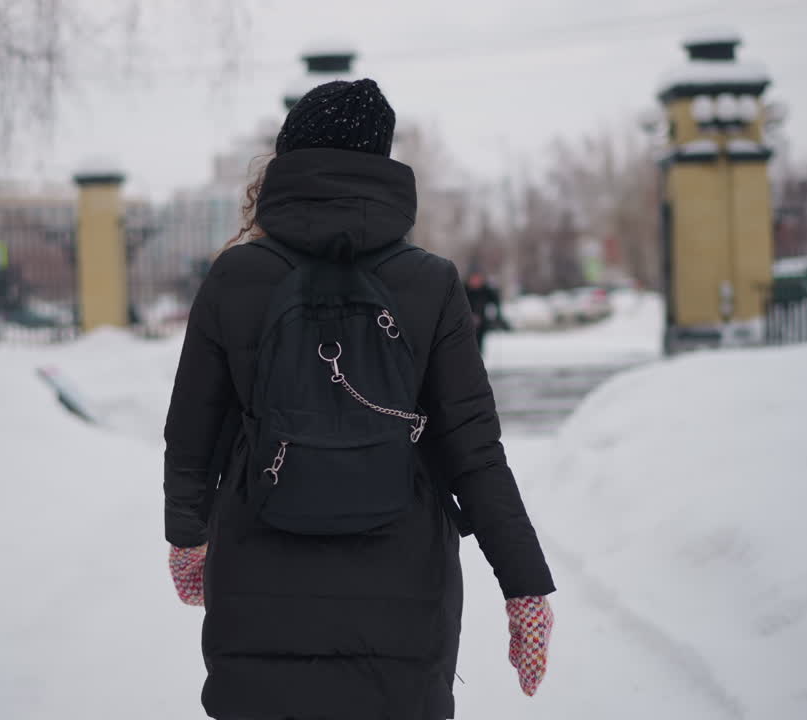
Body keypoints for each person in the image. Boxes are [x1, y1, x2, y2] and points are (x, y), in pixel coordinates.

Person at [163, 79, 555, 720]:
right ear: (382, 165)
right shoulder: (431, 283)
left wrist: (187, 539)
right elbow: (475, 454)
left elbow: (191, 435)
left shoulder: (235, 277)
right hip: (403, 590)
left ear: (286, 162)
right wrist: (525, 587)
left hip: (258, 581)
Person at [464, 270, 505, 353]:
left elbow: (495, 301)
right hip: (465, 323)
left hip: (481, 323)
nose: (476, 281)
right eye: (474, 279)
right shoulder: (464, 290)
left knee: (479, 346)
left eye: (478, 279)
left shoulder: (485, 290)